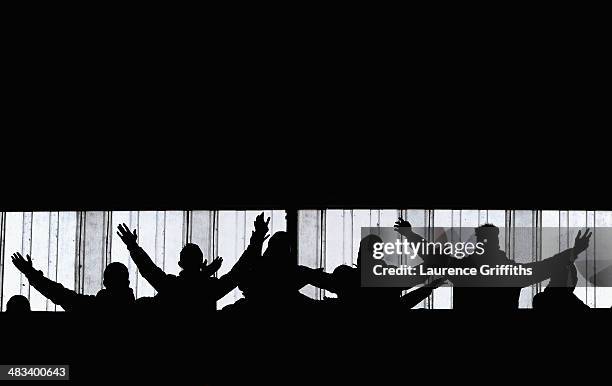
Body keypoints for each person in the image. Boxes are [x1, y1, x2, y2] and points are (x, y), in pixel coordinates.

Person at [394, 218, 592, 310]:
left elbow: (433, 256)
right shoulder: (510, 273)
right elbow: (546, 266)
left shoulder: (463, 270)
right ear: (498, 242)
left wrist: (409, 235)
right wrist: (574, 252)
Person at [116, 213, 269, 313]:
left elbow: (148, 269)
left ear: (180, 264)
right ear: (202, 263)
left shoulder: (171, 286)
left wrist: (133, 246)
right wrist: (256, 242)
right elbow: (238, 273)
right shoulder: (210, 288)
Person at [11, 253, 135, 312]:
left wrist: (30, 273)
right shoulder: (141, 309)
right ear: (128, 282)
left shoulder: (92, 308)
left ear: (105, 283)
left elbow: (59, 294)